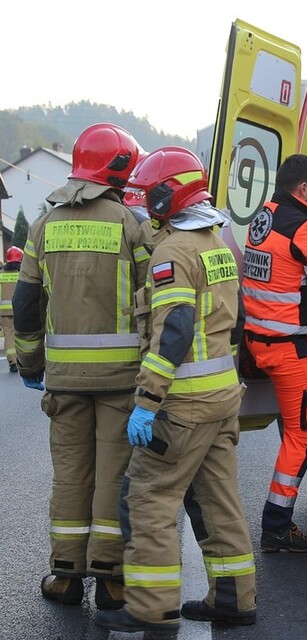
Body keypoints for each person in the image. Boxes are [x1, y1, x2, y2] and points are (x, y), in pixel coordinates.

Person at [95, 147, 256, 634]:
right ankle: (233, 597)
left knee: (147, 497)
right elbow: (238, 317)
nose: (145, 207)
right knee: (218, 499)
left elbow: (176, 331)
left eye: (149, 197)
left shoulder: (172, 251)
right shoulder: (217, 242)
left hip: (182, 403)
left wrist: (147, 401)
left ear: (168, 195)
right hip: (223, 396)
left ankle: (152, 607)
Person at [11, 123, 150, 608]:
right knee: (114, 475)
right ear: (120, 169)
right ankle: (111, 581)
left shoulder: (45, 226)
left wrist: (29, 363)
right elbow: (154, 303)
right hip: (121, 379)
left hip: (65, 379)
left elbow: (26, 305)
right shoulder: (132, 225)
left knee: (70, 474)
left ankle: (67, 575)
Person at [242, 153, 307, 553]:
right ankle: (277, 527)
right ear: (302, 189)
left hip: (262, 337)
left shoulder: (261, 217)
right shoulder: (305, 227)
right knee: (297, 439)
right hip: (288, 347)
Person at [0, 246, 23, 372]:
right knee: (20, 335)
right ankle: (21, 360)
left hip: (4, 312)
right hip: (19, 310)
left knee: (8, 335)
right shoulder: (22, 274)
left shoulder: (1, 275)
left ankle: (12, 362)